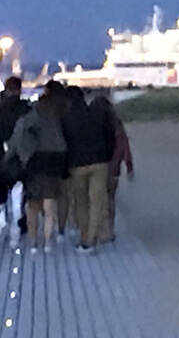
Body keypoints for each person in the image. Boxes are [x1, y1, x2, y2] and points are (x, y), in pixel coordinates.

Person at [7, 85, 68, 253]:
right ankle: (48, 242)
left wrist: (8, 159)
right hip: (53, 165)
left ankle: (33, 243)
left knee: (32, 206)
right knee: (49, 207)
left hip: (33, 165)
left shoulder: (26, 120)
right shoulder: (56, 121)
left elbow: (14, 143)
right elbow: (63, 144)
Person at [61, 85, 115, 254]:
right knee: (97, 201)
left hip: (77, 165)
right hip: (99, 163)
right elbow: (110, 136)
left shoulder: (66, 118)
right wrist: (107, 156)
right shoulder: (97, 113)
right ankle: (92, 238)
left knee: (81, 203)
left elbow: (64, 144)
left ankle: (85, 237)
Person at [0, 76, 30, 239]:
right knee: (20, 191)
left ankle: (0, 222)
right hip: (20, 159)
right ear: (19, 90)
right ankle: (20, 223)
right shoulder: (25, 109)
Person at [96, 97, 134, 243]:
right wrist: (129, 165)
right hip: (114, 166)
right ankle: (110, 229)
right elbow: (124, 145)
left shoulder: (94, 124)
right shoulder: (117, 124)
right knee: (111, 198)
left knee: (99, 199)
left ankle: (101, 230)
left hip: (99, 164)